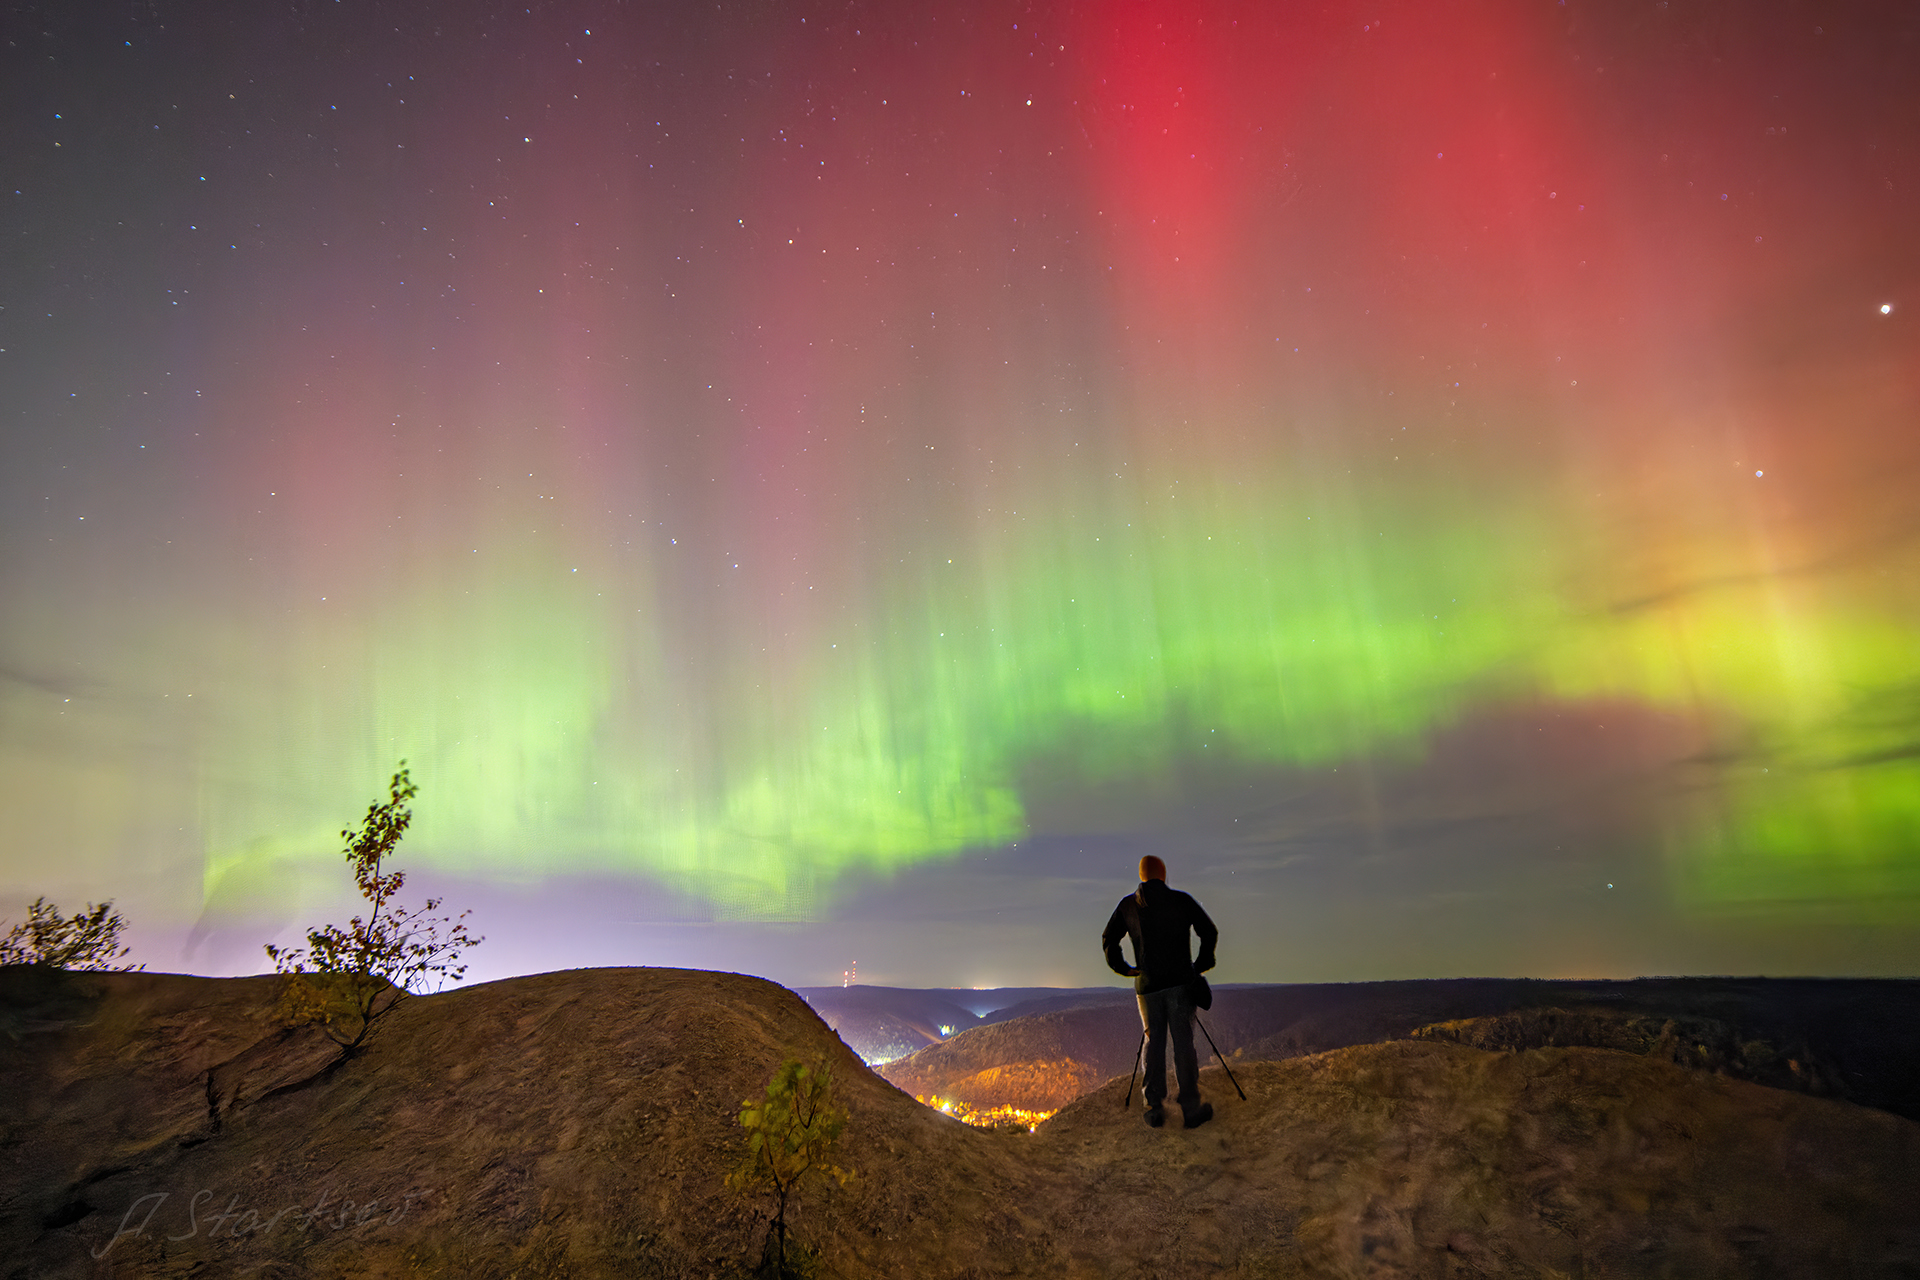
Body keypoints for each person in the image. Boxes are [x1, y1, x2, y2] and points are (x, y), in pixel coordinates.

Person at [1102, 854, 1219, 1129]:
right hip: (1180, 984)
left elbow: (1109, 939)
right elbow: (1209, 932)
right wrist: (1199, 965)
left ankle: (1153, 1107)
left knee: (1153, 1043)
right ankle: (1190, 1108)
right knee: (1183, 1044)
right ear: (1163, 874)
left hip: (1147, 987)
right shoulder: (1182, 900)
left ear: (1142, 875)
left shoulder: (1129, 905)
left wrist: (1125, 968)